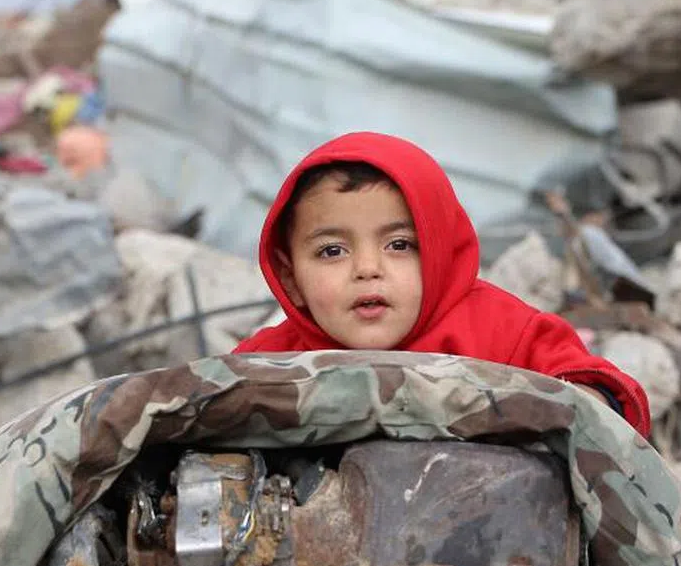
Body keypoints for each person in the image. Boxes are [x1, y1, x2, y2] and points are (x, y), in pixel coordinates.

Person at [233, 132, 651, 437]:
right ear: (291, 278)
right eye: (332, 252)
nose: (366, 268)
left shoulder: (499, 332)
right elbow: (204, 404)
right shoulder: (272, 362)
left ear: (439, 250)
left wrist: (579, 404)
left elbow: (605, 391)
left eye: (399, 244)